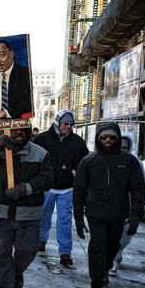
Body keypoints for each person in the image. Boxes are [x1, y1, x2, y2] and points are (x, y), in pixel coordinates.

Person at [0, 125, 52, 288]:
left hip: (29, 214)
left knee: (28, 250)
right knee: (0, 252)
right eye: (13, 130)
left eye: (22, 130)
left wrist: (24, 189)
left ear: (28, 131)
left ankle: (16, 272)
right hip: (1, 212)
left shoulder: (40, 153)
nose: (17, 133)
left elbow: (47, 179)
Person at [73, 123, 144, 288]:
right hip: (95, 212)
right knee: (97, 247)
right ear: (98, 139)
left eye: (112, 137)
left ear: (117, 139)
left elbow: (137, 189)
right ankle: (96, 286)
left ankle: (103, 270)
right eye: (104, 137)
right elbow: (79, 189)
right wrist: (79, 217)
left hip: (118, 214)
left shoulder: (129, 162)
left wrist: (136, 214)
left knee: (112, 247)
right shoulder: (89, 161)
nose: (108, 141)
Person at [33, 109, 89, 265]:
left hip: (67, 188)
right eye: (66, 124)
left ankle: (65, 252)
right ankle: (41, 240)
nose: (68, 127)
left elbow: (85, 161)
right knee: (44, 215)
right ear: (58, 123)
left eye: (71, 124)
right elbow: (33, 157)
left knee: (64, 220)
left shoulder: (77, 142)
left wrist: (77, 169)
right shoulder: (42, 139)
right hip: (47, 187)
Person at [109, 131, 143, 276]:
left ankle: (117, 255)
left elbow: (140, 188)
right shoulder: (104, 160)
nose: (122, 151)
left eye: (125, 148)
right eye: (119, 147)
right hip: (108, 206)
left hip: (126, 208)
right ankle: (109, 263)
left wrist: (137, 211)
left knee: (122, 238)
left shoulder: (136, 163)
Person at [0, 39, 32, 120]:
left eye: (1, 55)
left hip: (18, 125)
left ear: (11, 54)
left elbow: (28, 103)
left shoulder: (25, 74)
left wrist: (3, 113)